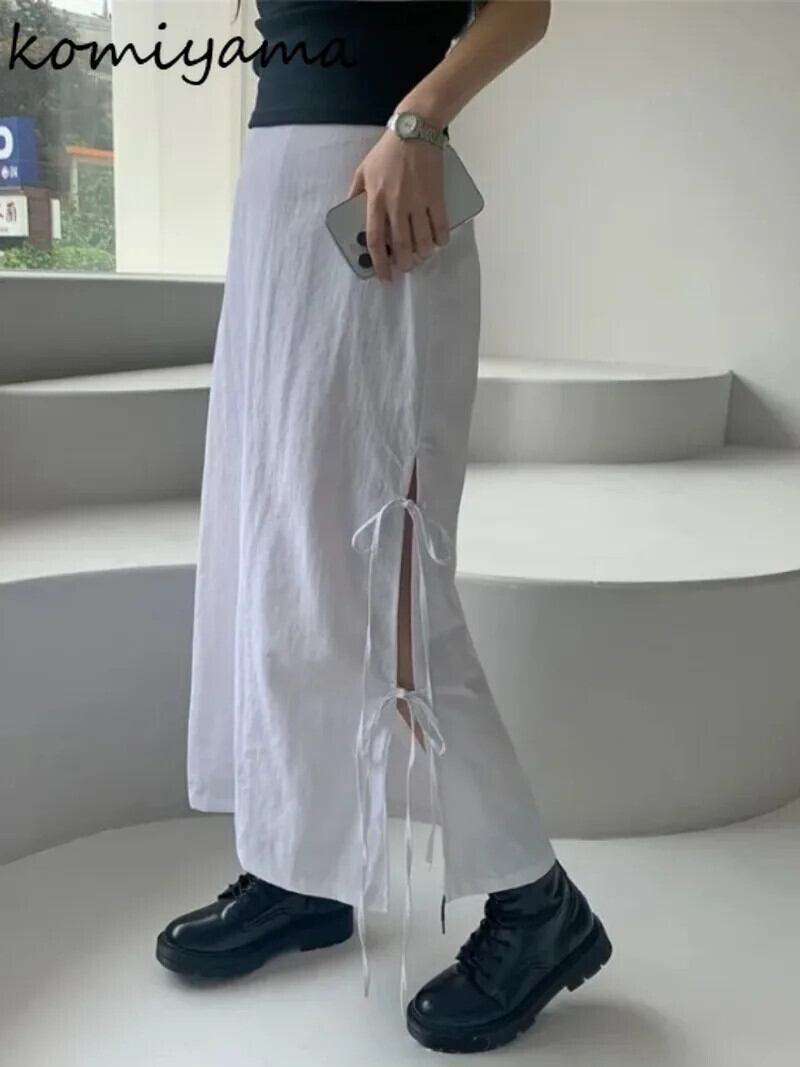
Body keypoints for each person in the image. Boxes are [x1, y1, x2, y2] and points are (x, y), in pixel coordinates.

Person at [155, 0, 612, 1053]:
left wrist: (420, 119)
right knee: (277, 559)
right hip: (277, 192)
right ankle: (303, 866)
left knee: (383, 574)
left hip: (381, 184)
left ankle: (537, 901)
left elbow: (523, 6)